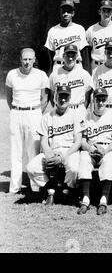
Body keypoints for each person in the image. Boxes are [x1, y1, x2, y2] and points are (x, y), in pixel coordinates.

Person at [26, 85, 82, 205]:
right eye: (60, 96)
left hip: (69, 151)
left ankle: (69, 190)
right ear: (55, 97)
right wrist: (50, 155)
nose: (62, 100)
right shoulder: (47, 117)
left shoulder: (75, 115)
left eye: (65, 97)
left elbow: (78, 142)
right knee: (31, 168)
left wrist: (63, 157)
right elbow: (43, 141)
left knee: (74, 169)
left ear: (70, 98)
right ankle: (50, 189)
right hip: (52, 151)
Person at [5, 48, 49, 194]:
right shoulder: (12, 74)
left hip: (34, 114)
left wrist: (35, 112)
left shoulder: (41, 75)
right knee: (16, 152)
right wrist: (18, 110)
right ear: (20, 59)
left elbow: (44, 99)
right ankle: (14, 187)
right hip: (16, 113)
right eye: (25, 59)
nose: (27, 62)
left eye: (30, 59)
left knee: (33, 151)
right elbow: (9, 97)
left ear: (35, 60)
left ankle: (35, 186)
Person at [77, 87, 112, 215]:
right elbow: (83, 141)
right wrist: (90, 149)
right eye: (98, 99)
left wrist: (105, 151)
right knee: (83, 159)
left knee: (108, 161)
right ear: (93, 100)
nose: (100, 103)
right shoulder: (86, 117)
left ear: (107, 100)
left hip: (106, 149)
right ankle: (86, 199)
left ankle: (103, 200)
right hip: (91, 148)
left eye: (103, 99)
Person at [49, 44, 93, 122]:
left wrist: (81, 109)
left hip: (79, 111)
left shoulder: (84, 74)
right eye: (67, 55)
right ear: (63, 56)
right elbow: (52, 96)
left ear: (77, 56)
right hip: (62, 112)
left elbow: (87, 96)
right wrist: (60, 108)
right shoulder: (55, 75)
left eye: (73, 55)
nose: (70, 58)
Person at [44, 0, 89, 75]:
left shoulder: (79, 29)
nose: (65, 14)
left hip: (76, 66)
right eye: (63, 11)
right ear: (60, 13)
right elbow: (49, 57)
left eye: (68, 12)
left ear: (73, 13)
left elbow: (84, 55)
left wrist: (87, 73)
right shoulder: (53, 30)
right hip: (59, 67)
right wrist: (49, 75)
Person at [85, 0, 112, 73]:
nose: (106, 14)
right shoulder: (91, 30)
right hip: (97, 66)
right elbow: (87, 53)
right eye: (104, 11)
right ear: (99, 12)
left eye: (109, 11)